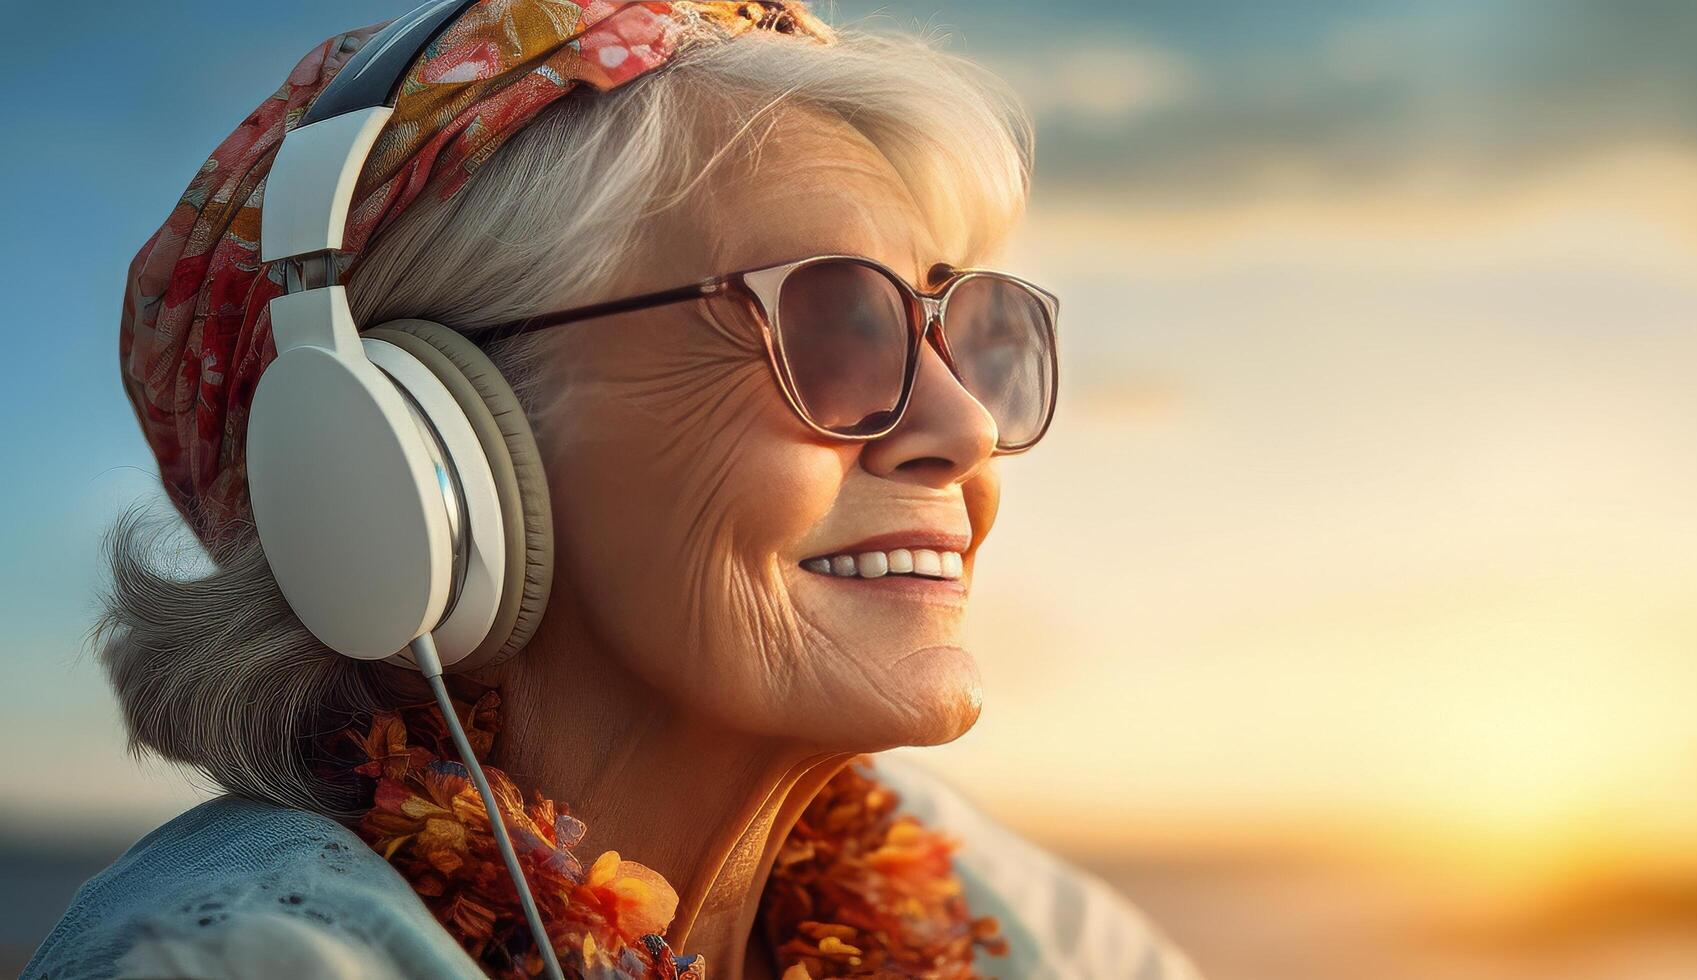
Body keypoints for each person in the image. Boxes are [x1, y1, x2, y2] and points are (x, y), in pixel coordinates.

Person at [25, 2, 1202, 978]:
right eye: (838, 324)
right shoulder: (236, 960)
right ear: (408, 447)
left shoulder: (1007, 911)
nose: (965, 425)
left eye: (958, 333)